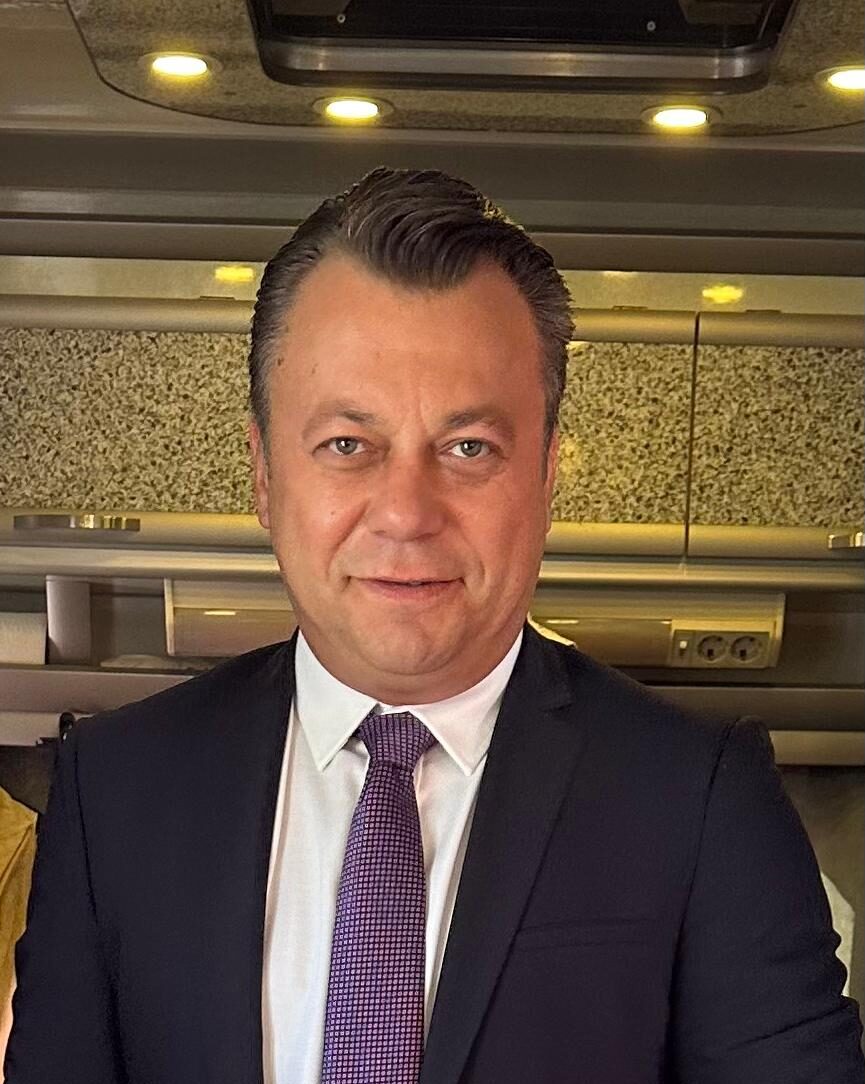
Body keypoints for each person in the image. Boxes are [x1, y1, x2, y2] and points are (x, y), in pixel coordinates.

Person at [5, 167, 864, 1084]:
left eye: (468, 447)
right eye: (347, 445)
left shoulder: (702, 801)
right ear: (263, 475)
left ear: (545, 476)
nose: (406, 513)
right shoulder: (114, 790)